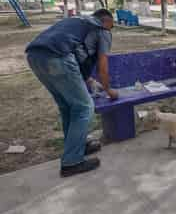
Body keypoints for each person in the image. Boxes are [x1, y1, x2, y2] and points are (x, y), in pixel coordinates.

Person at [25, 9, 118, 177]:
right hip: (58, 57)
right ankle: (72, 162)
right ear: (106, 21)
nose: (112, 30)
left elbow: (76, 53)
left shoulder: (77, 21)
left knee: (68, 107)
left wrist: (89, 80)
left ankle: (77, 146)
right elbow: (103, 66)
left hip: (34, 56)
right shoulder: (101, 29)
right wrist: (109, 90)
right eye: (112, 26)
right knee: (84, 108)